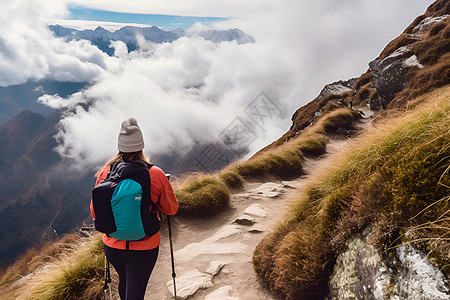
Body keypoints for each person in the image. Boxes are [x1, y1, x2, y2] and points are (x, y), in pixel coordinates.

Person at [90, 117, 179, 300]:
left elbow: (94, 213)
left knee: (125, 281)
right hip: (144, 246)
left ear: (120, 146)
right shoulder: (155, 173)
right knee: (135, 293)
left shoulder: (105, 173)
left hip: (113, 246)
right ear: (141, 146)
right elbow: (171, 209)